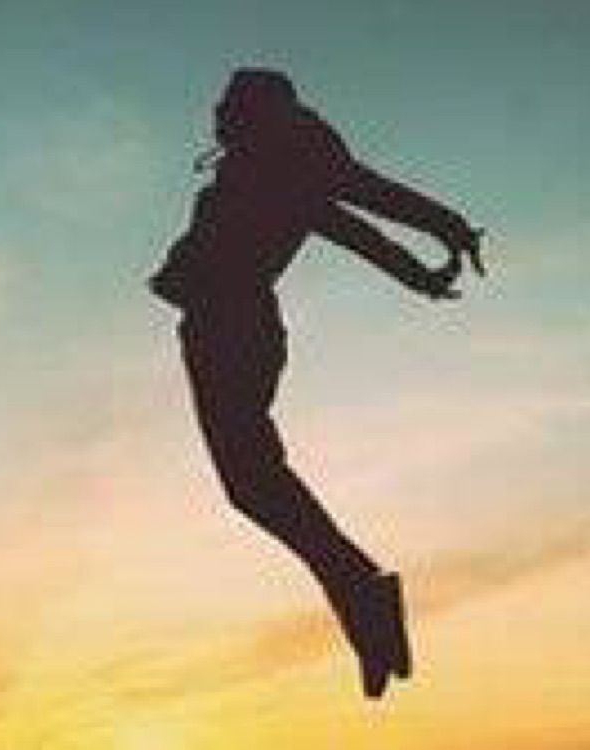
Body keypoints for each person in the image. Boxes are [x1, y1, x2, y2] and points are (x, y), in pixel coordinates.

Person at [149, 68, 486, 698]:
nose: (217, 113)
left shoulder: (287, 164)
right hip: (220, 328)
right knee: (252, 484)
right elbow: (353, 228)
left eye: (231, 104)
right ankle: (361, 595)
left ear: (260, 113)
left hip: (233, 325)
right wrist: (420, 268)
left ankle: (360, 593)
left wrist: (447, 229)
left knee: (252, 481)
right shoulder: (259, 173)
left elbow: (371, 199)